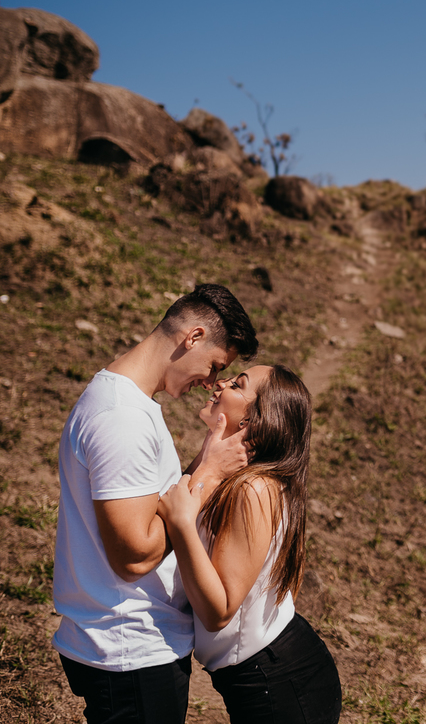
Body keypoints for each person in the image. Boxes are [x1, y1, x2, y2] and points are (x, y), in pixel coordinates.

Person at [54, 283, 258, 724]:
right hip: (129, 652)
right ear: (194, 337)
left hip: (126, 644)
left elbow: (151, 505)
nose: (210, 381)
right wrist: (205, 475)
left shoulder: (128, 402)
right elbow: (133, 556)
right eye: (215, 365)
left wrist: (204, 462)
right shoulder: (120, 418)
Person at [158, 364, 341, 723]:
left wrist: (180, 524)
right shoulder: (237, 478)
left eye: (238, 384)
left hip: (281, 683)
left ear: (255, 420)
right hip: (265, 676)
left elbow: (218, 612)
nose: (221, 383)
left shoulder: (252, 489)